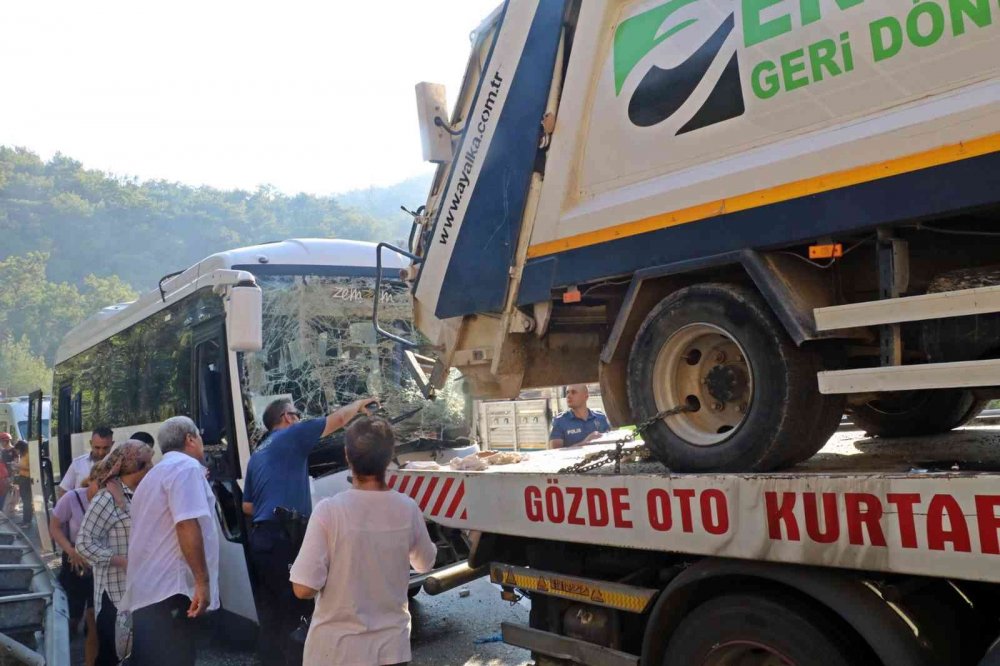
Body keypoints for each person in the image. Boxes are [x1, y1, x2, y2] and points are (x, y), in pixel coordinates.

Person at [290, 417, 436, 666]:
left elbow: (303, 589)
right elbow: (425, 563)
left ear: (347, 456)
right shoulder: (407, 509)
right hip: (391, 651)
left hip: (337, 652)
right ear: (390, 456)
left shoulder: (329, 511)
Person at [242, 396, 377, 665]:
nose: (299, 418)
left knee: (273, 611)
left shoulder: (258, 453)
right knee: (297, 608)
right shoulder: (293, 434)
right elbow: (339, 420)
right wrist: (359, 404)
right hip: (283, 536)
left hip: (262, 539)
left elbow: (247, 506)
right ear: (286, 417)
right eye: (296, 413)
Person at [121, 416, 219, 666]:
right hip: (170, 591)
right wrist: (202, 583)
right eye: (199, 437)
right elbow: (186, 524)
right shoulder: (186, 468)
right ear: (190, 439)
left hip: (149, 592)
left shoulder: (154, 475)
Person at [76, 440, 154, 666]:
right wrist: (120, 561)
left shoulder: (137, 494)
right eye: (148, 463)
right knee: (111, 656)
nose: (152, 467)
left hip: (140, 592)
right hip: (115, 595)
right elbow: (83, 544)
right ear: (135, 468)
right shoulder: (106, 499)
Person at [51, 475, 99, 666]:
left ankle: (89, 659)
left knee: (93, 615)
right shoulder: (72, 498)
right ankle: (65, 647)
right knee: (74, 611)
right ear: (92, 480)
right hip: (74, 562)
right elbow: (54, 527)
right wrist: (71, 551)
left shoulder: (110, 499)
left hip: (99, 563)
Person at [548, 384, 611, 448]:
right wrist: (586, 442)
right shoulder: (559, 421)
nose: (568, 396)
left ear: (586, 396)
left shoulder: (600, 417)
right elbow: (555, 452)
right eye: (567, 392)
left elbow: (610, 444)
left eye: (573, 392)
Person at [60, 426, 114, 497]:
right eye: (97, 447)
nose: (101, 452)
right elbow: (64, 491)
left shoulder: (118, 464)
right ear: (91, 443)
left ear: (112, 444)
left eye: (105, 448)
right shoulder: (77, 463)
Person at [14, 440, 33, 527]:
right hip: (22, 478)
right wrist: (17, 467)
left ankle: (27, 521)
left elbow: (32, 467)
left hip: (27, 479)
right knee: (24, 500)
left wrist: (19, 466)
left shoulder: (29, 455)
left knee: (27, 501)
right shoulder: (23, 455)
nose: (17, 452)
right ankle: (24, 520)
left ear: (21, 448)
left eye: (17, 449)